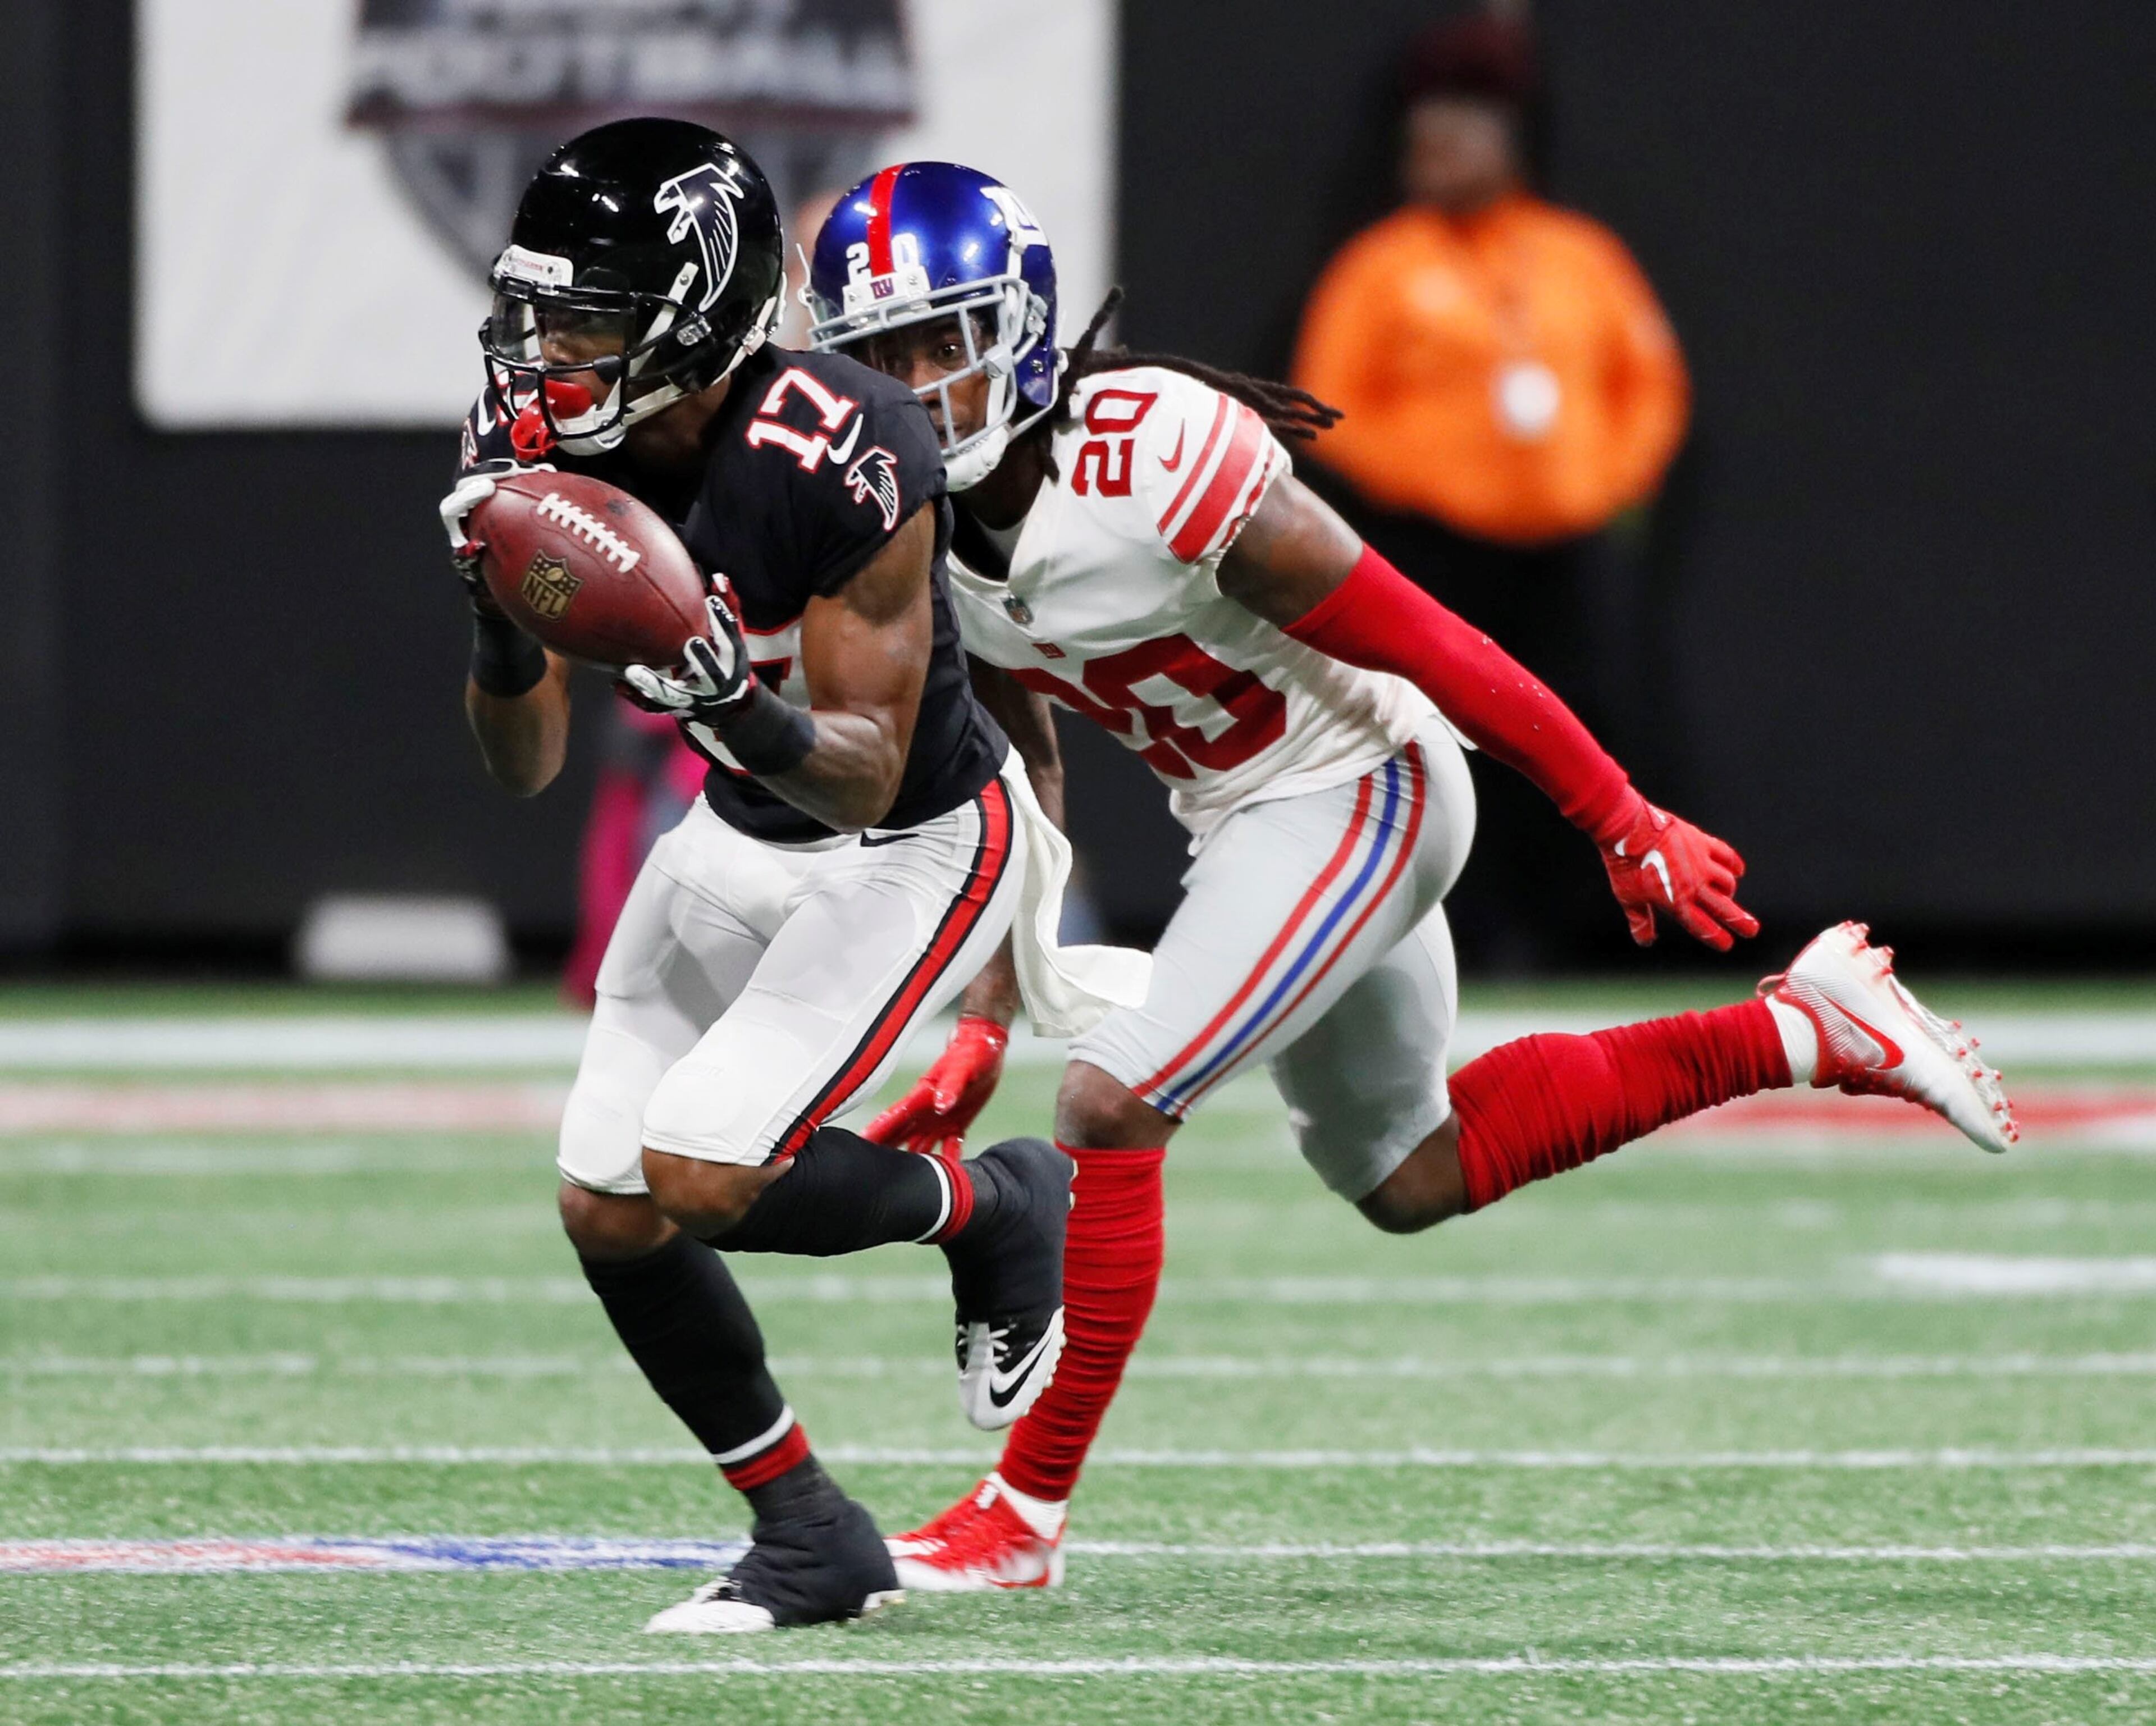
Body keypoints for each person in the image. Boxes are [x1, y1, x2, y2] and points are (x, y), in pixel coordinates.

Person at [804, 162, 2019, 1590]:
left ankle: (1021, 1517)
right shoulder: (907, 524)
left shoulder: (1147, 458)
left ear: (1021, 328)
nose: (913, 385)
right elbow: (1021, 772)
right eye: (879, 354)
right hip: (1249, 822)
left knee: (1112, 1101)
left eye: (939, 342)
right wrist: (987, 1013)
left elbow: (1425, 637)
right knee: (1407, 1172)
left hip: (1362, 785)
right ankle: (1807, 1027)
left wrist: (1617, 812)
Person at [438, 120, 1097, 1633]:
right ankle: (809, 1531)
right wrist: (494, 621)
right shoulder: (528, 436)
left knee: (702, 1169)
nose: (547, 353)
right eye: (538, 312)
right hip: (741, 823)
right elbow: (523, 765)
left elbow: (864, 769)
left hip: (915, 836)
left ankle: (997, 1204)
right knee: (608, 1203)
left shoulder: (850, 443)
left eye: (589, 320)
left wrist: (726, 695)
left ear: (699, 317)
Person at [1292, 14, 1690, 966]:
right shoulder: (1382, 265)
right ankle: (1466, 931)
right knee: (1447, 736)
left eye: (1456, 138)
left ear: (1506, 143)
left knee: (1584, 729)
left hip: (1565, 549)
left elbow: (1651, 384)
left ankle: (1593, 930)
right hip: (1439, 550)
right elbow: (1326, 402)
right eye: (1423, 142)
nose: (1434, 158)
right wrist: (1436, 481)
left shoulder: (1578, 254)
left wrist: (1608, 480)